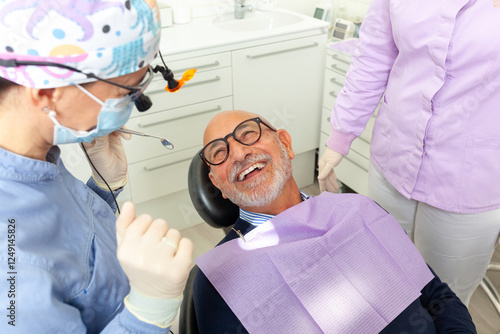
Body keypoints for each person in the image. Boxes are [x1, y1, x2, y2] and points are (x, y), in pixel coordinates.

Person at [0, 1, 193, 332]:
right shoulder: (11, 270)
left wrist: (104, 189)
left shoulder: (30, 158)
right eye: (127, 91)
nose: (132, 105)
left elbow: (67, 244)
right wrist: (147, 311)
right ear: (48, 91)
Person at [192, 110, 476, 333]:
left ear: (286, 144)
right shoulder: (220, 278)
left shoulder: (360, 210)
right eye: (219, 153)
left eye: (249, 134)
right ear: (218, 185)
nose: (240, 153)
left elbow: (436, 295)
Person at [317, 0, 500, 306]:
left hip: (470, 179)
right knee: (382, 271)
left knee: (445, 299)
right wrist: (340, 137)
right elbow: (374, 57)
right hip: (394, 157)